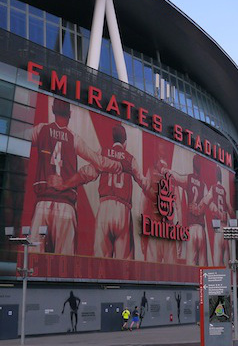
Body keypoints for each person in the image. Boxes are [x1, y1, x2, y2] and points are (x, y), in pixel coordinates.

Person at [30, 98, 120, 254]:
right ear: (70, 114)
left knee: (33, 259)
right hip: (66, 205)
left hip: (43, 203)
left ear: (52, 109)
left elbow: (18, 137)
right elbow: (98, 161)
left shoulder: (41, 130)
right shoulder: (74, 138)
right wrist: (116, 165)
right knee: (64, 263)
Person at [94, 124, 150, 259]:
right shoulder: (130, 159)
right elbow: (143, 182)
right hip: (122, 209)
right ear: (125, 142)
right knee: (123, 263)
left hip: (104, 206)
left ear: (113, 139)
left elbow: (91, 173)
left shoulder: (103, 152)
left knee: (100, 261)